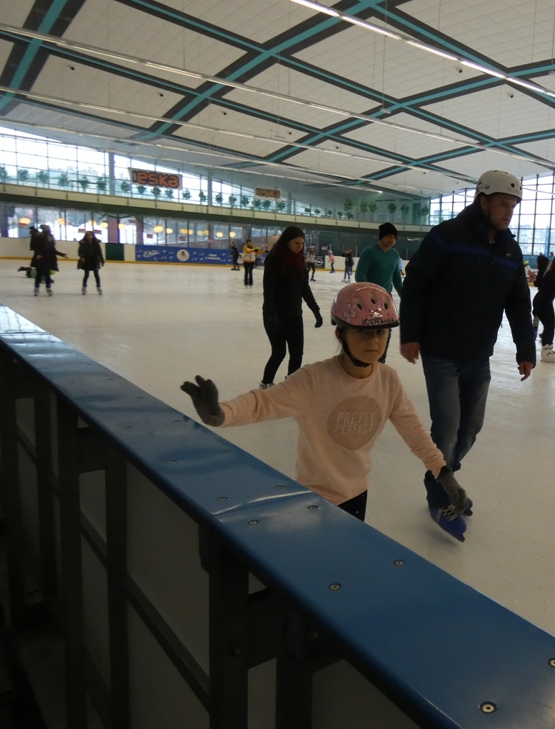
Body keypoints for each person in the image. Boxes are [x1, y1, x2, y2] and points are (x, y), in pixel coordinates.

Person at [181, 283, 471, 541]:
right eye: (362, 332)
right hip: (312, 497)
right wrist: (222, 413)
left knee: (345, 562)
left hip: (357, 493)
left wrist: (443, 473)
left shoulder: (388, 381)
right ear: (340, 334)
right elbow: (262, 403)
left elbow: (414, 432)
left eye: (381, 332)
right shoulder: (314, 380)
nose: (373, 341)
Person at [400, 170, 535, 489]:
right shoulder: (448, 235)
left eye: (513, 206)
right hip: (441, 350)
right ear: (483, 201)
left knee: (471, 428)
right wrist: (411, 334)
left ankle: (445, 473)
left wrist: (526, 350)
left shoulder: (510, 250)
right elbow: (416, 283)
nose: (509, 212)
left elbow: (518, 303)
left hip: (479, 355)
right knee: (446, 428)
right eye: (503, 204)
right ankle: (441, 487)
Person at [260, 226, 323, 389]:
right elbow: (268, 290)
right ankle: (266, 383)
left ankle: (291, 386)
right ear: (287, 242)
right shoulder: (274, 259)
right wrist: (271, 315)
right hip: (276, 314)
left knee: (297, 353)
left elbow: (304, 289)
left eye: (302, 243)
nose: (299, 247)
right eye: (296, 243)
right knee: (279, 352)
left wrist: (316, 311)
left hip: (294, 314)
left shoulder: (299, 261)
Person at [355, 223, 406, 363]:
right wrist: (368, 294)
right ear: (382, 236)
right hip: (369, 301)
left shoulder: (394, 255)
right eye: (389, 236)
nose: (392, 239)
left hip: (385, 301)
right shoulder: (370, 252)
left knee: (385, 332)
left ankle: (380, 362)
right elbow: (360, 274)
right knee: (368, 332)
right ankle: (364, 362)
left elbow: (396, 277)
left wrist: (404, 296)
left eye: (394, 237)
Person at [31, 225, 66, 296]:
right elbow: (36, 247)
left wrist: (62, 254)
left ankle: (48, 287)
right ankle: (37, 288)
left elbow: (53, 250)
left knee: (47, 274)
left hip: (48, 259)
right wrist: (38, 254)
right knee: (39, 274)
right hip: (40, 259)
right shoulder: (39, 236)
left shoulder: (50, 237)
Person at [78, 231, 104, 295]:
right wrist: (82, 257)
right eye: (87, 235)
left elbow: (99, 252)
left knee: (96, 274)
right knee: (86, 274)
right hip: (87, 260)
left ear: (92, 235)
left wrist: (102, 260)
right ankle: (84, 287)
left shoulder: (96, 243)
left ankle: (98, 287)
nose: (88, 236)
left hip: (94, 260)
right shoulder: (83, 243)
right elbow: (80, 251)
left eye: (90, 235)